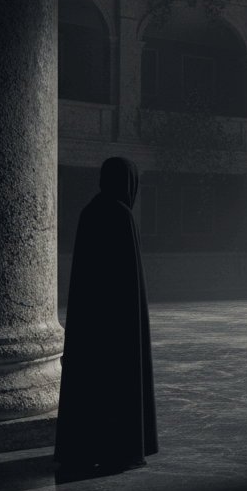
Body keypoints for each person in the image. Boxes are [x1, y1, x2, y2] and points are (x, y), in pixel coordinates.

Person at [54, 156, 158, 473]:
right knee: (118, 383)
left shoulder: (90, 211)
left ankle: (84, 449)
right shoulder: (121, 215)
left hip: (90, 321)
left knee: (89, 383)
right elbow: (128, 283)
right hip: (117, 323)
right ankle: (120, 451)